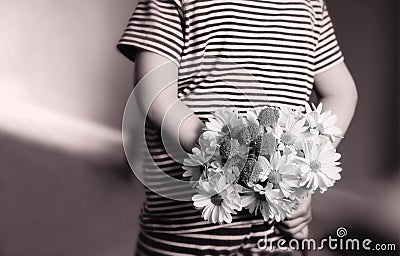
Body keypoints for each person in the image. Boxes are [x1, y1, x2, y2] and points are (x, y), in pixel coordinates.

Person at [117, 0, 358, 255]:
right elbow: (154, 92)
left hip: (275, 224)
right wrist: (211, 145)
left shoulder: (310, 5)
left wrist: (307, 168)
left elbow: (341, 93)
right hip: (191, 222)